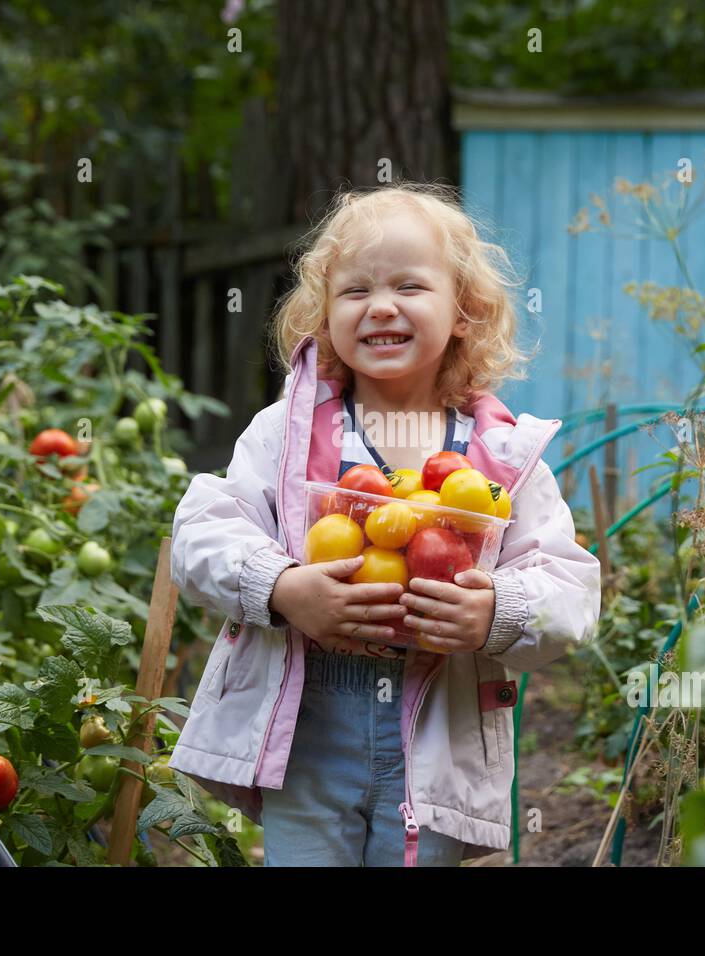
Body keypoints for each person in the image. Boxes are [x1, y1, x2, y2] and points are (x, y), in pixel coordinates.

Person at [168, 182, 601, 866]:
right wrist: (282, 589)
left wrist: (497, 612)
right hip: (308, 730)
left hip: (436, 732)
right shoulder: (286, 435)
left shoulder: (502, 456)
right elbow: (200, 533)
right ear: (324, 315)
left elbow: (571, 592)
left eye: (409, 285)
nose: (381, 307)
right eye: (355, 291)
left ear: (466, 311)